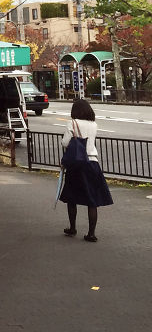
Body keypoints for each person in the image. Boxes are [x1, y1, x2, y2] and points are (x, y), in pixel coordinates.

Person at [59, 98, 113, 242]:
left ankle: (72, 228)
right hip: (93, 163)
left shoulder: (72, 123)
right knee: (92, 199)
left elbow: (65, 142)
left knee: (72, 197)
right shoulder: (94, 124)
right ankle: (91, 233)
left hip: (77, 164)